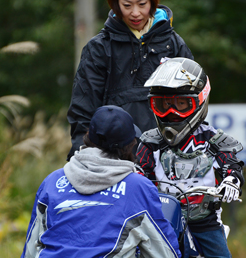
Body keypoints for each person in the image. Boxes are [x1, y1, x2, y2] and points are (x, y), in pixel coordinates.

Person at [21, 105, 182, 258]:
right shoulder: (139, 188)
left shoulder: (53, 181)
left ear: (88, 137)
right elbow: (165, 252)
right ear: (129, 146)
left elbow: (30, 250)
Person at [67, 0, 194, 161]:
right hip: (112, 160)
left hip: (167, 159)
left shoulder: (173, 45)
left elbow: (192, 104)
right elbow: (83, 112)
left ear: (153, 0)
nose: (135, 13)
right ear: (116, 4)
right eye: (127, 5)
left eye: (142, 4)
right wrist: (80, 158)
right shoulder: (99, 48)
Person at [136, 58, 245, 258]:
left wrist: (232, 180)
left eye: (181, 104)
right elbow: (138, 171)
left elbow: (231, 164)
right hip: (162, 220)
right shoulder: (150, 142)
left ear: (199, 101)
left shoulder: (213, 140)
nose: (171, 112)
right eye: (164, 104)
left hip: (205, 222)